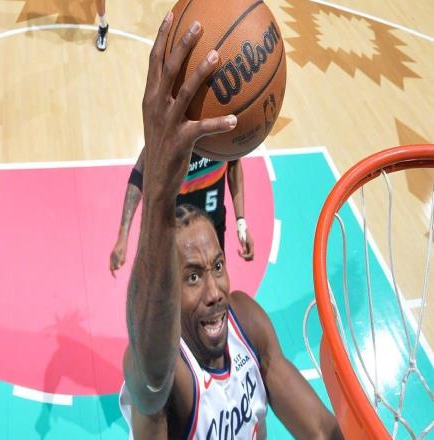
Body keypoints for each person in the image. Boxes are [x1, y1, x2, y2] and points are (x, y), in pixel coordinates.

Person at [119, 13, 344, 439]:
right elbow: (150, 376)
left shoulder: (247, 322)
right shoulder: (170, 380)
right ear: (169, 288)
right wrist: (158, 198)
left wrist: (239, 220)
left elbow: (322, 430)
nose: (214, 291)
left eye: (217, 267)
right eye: (192, 276)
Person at [109, 150, 254, 277]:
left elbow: (234, 163)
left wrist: (241, 222)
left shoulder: (223, 131)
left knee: (215, 288)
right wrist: (123, 236)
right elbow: (139, 173)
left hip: (213, 228)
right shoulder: (171, 133)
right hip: (175, 234)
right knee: (175, 291)